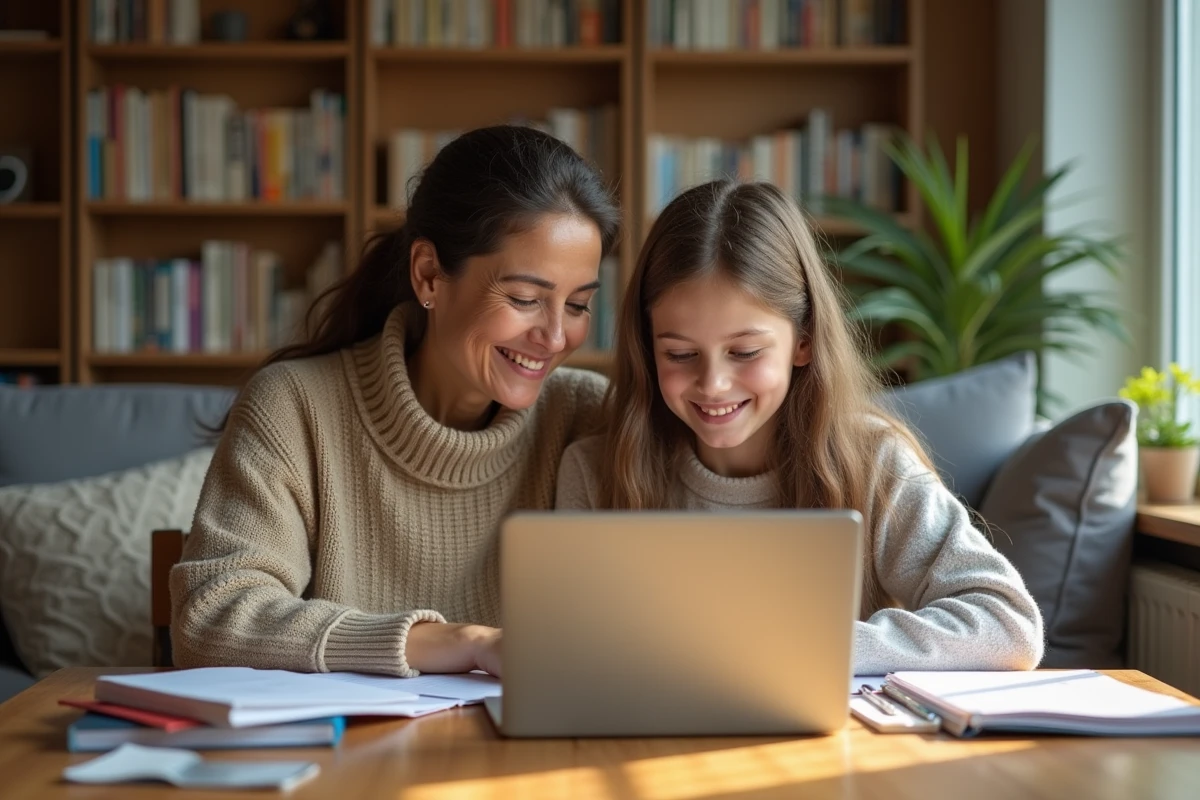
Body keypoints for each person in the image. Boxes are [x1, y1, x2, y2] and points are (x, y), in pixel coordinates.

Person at [171, 125, 621, 678]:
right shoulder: (295, 407)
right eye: (526, 299)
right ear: (429, 274)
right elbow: (211, 619)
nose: (554, 338)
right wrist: (462, 642)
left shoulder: (586, 415)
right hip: (341, 758)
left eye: (577, 305)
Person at [555, 179, 1044, 674]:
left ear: (804, 340)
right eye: (679, 354)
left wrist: (796, 644)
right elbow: (567, 650)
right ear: (648, 348)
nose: (713, 384)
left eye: (745, 352)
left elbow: (1008, 624)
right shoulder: (595, 471)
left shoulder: (872, 463)